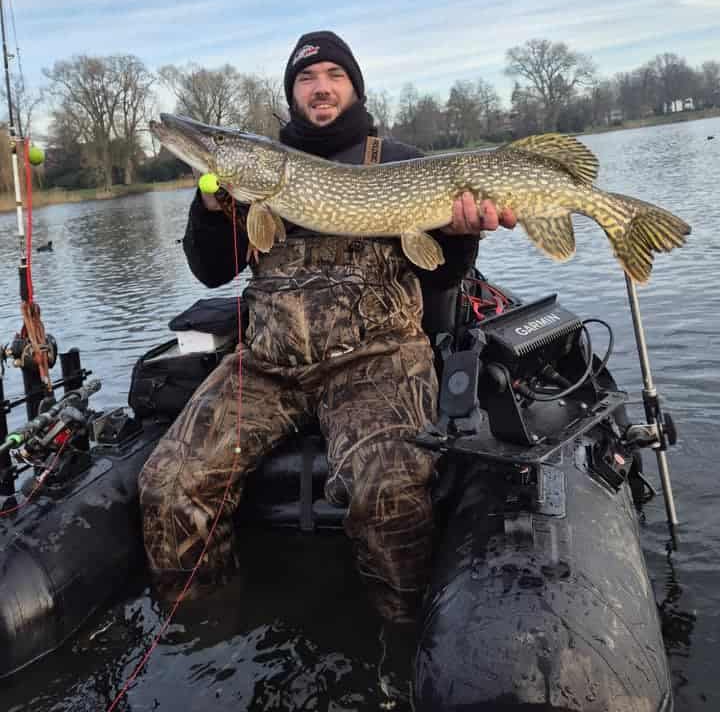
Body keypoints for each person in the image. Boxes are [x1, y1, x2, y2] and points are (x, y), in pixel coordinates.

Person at [139, 31, 515, 623]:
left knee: (388, 488)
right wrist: (211, 209)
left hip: (378, 360)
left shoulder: (400, 162)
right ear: (292, 95)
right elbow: (211, 272)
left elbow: (443, 282)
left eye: (335, 76)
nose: (321, 87)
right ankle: (207, 633)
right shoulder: (251, 177)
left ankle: (401, 638)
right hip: (267, 365)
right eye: (306, 79)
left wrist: (463, 232)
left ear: (354, 87)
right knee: (167, 484)